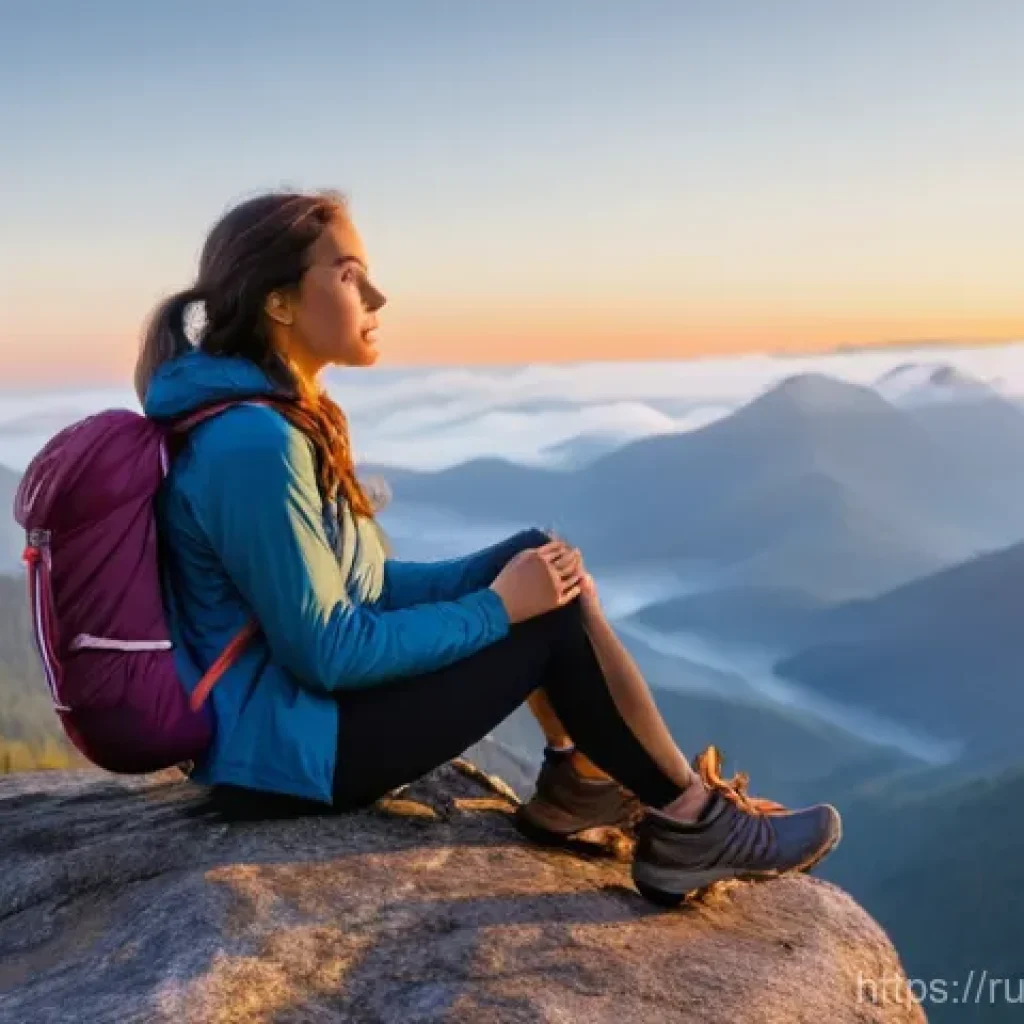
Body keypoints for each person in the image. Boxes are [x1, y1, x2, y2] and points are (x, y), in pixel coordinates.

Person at [136, 188, 841, 904]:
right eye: (349, 276)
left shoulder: (277, 420)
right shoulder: (254, 443)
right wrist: (501, 609)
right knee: (547, 623)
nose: (377, 296)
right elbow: (328, 651)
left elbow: (365, 588)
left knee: (538, 559)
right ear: (280, 303)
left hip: (295, 730)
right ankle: (693, 822)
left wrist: (514, 577)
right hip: (287, 756)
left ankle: (582, 783)